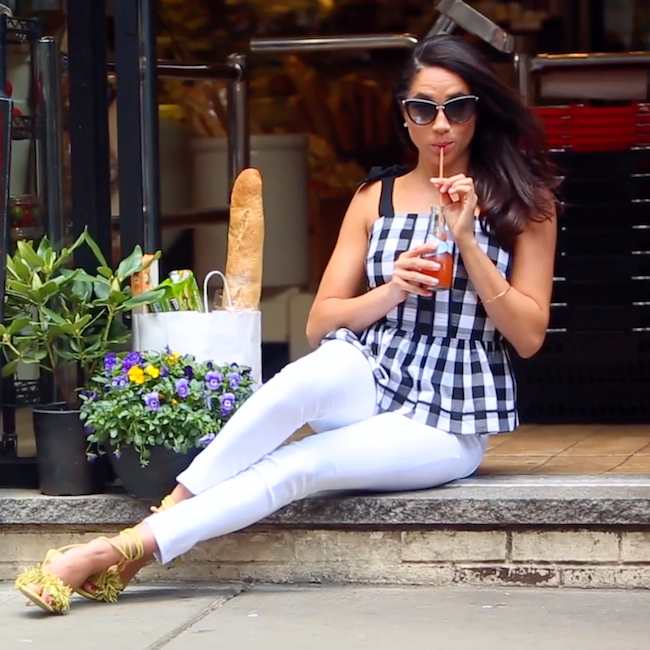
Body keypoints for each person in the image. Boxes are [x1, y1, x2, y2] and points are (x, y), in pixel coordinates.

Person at [15, 34, 556, 614]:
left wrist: (467, 240)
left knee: (301, 463)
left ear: (480, 110)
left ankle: (121, 550)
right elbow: (322, 323)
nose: (440, 125)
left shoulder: (525, 201)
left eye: (458, 106)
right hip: (376, 366)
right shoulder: (376, 197)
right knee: (293, 385)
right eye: (423, 108)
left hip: (449, 413)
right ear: (404, 115)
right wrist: (393, 288)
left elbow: (527, 336)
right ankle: (170, 512)